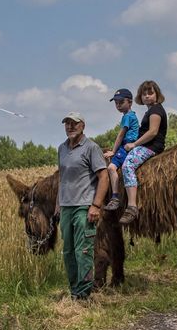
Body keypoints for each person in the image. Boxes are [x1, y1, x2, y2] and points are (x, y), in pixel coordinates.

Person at [53, 111, 108, 300]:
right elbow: (62, 178)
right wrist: (58, 204)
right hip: (66, 206)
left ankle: (84, 294)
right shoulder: (62, 149)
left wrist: (96, 205)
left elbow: (103, 177)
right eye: (67, 123)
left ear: (82, 125)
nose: (70, 126)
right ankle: (74, 290)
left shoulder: (91, 148)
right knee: (68, 251)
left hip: (84, 206)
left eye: (74, 123)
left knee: (83, 250)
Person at [118, 79, 168, 226]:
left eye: (150, 93)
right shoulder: (151, 110)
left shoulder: (156, 110)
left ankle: (132, 206)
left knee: (127, 166)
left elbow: (152, 132)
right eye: (144, 93)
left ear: (157, 94)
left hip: (151, 146)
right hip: (147, 145)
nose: (147, 96)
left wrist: (134, 144)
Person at [103, 88, 139, 211]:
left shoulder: (127, 117)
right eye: (116, 103)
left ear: (130, 102)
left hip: (126, 145)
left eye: (121, 102)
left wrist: (113, 151)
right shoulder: (131, 115)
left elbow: (121, 135)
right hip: (129, 144)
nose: (118, 105)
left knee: (111, 168)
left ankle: (115, 197)